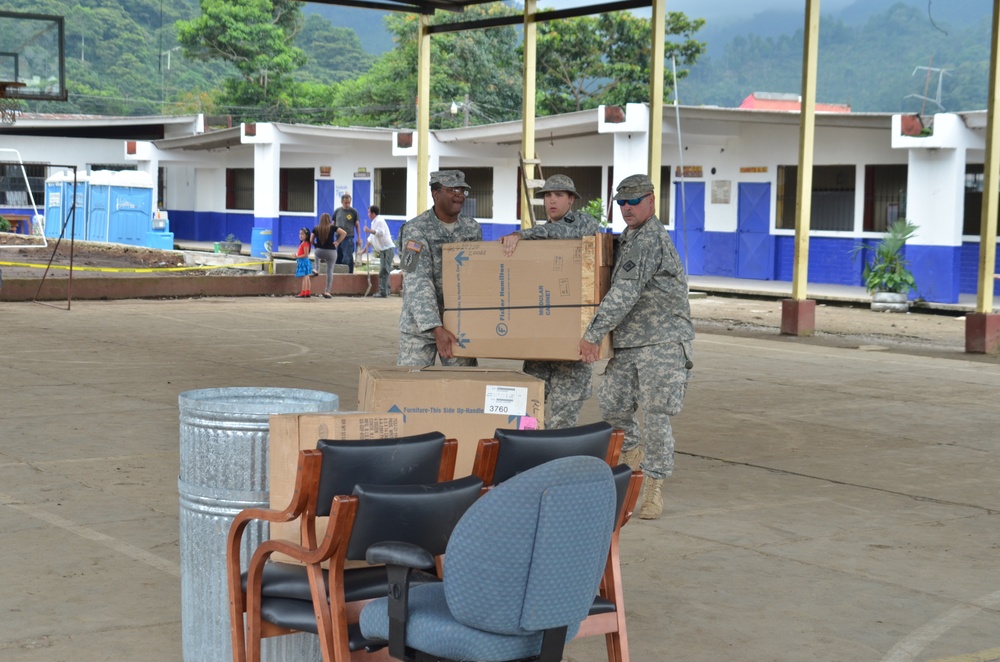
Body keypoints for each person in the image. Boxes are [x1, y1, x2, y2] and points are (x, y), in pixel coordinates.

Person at [579, 174, 695, 520]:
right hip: (630, 340)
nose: (627, 208)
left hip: (662, 340)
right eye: (621, 202)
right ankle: (631, 460)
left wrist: (593, 332)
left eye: (634, 201)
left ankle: (654, 487)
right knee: (612, 404)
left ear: (651, 201)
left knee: (656, 414)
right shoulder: (628, 238)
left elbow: (624, 293)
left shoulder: (649, 240)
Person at [498, 174, 601, 428]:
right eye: (547, 196)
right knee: (528, 411)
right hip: (541, 339)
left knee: (562, 420)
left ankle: (555, 463)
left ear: (571, 200)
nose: (551, 201)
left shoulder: (583, 223)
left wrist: (521, 235)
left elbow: (560, 233)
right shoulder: (537, 238)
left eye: (558, 195)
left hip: (573, 339)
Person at [397, 170, 481, 367]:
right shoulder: (415, 229)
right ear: (435, 193)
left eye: (462, 190)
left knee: (461, 389)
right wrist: (435, 328)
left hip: (458, 326)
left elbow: (477, 276)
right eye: (452, 190)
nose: (459, 195)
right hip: (420, 326)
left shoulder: (472, 228)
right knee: (410, 387)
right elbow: (416, 280)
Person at [311, 213, 347, 299]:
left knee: (316, 253)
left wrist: (316, 245)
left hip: (319, 251)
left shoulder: (316, 228)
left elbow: (311, 240)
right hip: (331, 252)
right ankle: (327, 291)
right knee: (329, 271)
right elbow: (344, 233)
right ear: (329, 220)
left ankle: (317, 269)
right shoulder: (332, 227)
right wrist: (337, 242)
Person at [362, 204, 395, 298]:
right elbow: (371, 238)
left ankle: (383, 291)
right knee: (385, 270)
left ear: (373, 213)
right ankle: (386, 290)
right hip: (383, 250)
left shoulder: (379, 221)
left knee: (384, 271)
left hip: (386, 249)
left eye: (369, 212)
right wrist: (364, 250)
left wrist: (369, 230)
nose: (368, 214)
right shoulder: (374, 222)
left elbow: (380, 233)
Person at [333, 193, 360, 274]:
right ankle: (338, 274)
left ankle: (348, 274)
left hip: (348, 238)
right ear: (342, 202)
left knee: (347, 257)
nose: (347, 204)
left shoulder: (353, 212)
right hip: (338, 237)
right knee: (338, 257)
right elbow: (333, 223)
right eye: (346, 202)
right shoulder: (337, 211)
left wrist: (359, 237)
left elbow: (357, 225)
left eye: (349, 202)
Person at [294, 227, 313, 298]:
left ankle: (303, 292)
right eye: (300, 234)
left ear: (307, 235)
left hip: (303, 262)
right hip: (304, 262)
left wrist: (297, 256)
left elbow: (306, 254)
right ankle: (307, 292)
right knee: (307, 277)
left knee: (305, 278)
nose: (300, 236)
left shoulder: (305, 244)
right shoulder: (304, 243)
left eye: (302, 234)